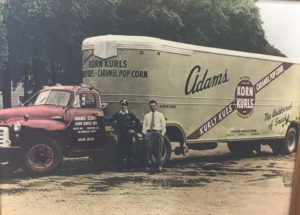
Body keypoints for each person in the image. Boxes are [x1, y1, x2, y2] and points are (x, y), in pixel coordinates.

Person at [102, 99, 141, 171]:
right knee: (120, 151)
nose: (123, 106)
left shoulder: (130, 114)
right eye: (122, 105)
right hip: (121, 135)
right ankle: (121, 168)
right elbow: (110, 119)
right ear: (120, 106)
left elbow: (138, 122)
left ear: (127, 106)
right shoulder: (118, 114)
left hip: (128, 136)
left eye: (124, 105)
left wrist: (134, 130)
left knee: (129, 151)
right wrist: (101, 116)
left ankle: (129, 167)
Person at [142, 100, 166, 172]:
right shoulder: (147, 115)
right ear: (149, 106)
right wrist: (145, 133)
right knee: (148, 150)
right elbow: (144, 125)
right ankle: (148, 165)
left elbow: (163, 125)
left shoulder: (160, 115)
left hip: (157, 133)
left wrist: (162, 134)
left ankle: (159, 165)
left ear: (156, 106)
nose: (153, 107)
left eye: (154, 106)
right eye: (151, 106)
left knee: (158, 150)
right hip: (149, 133)